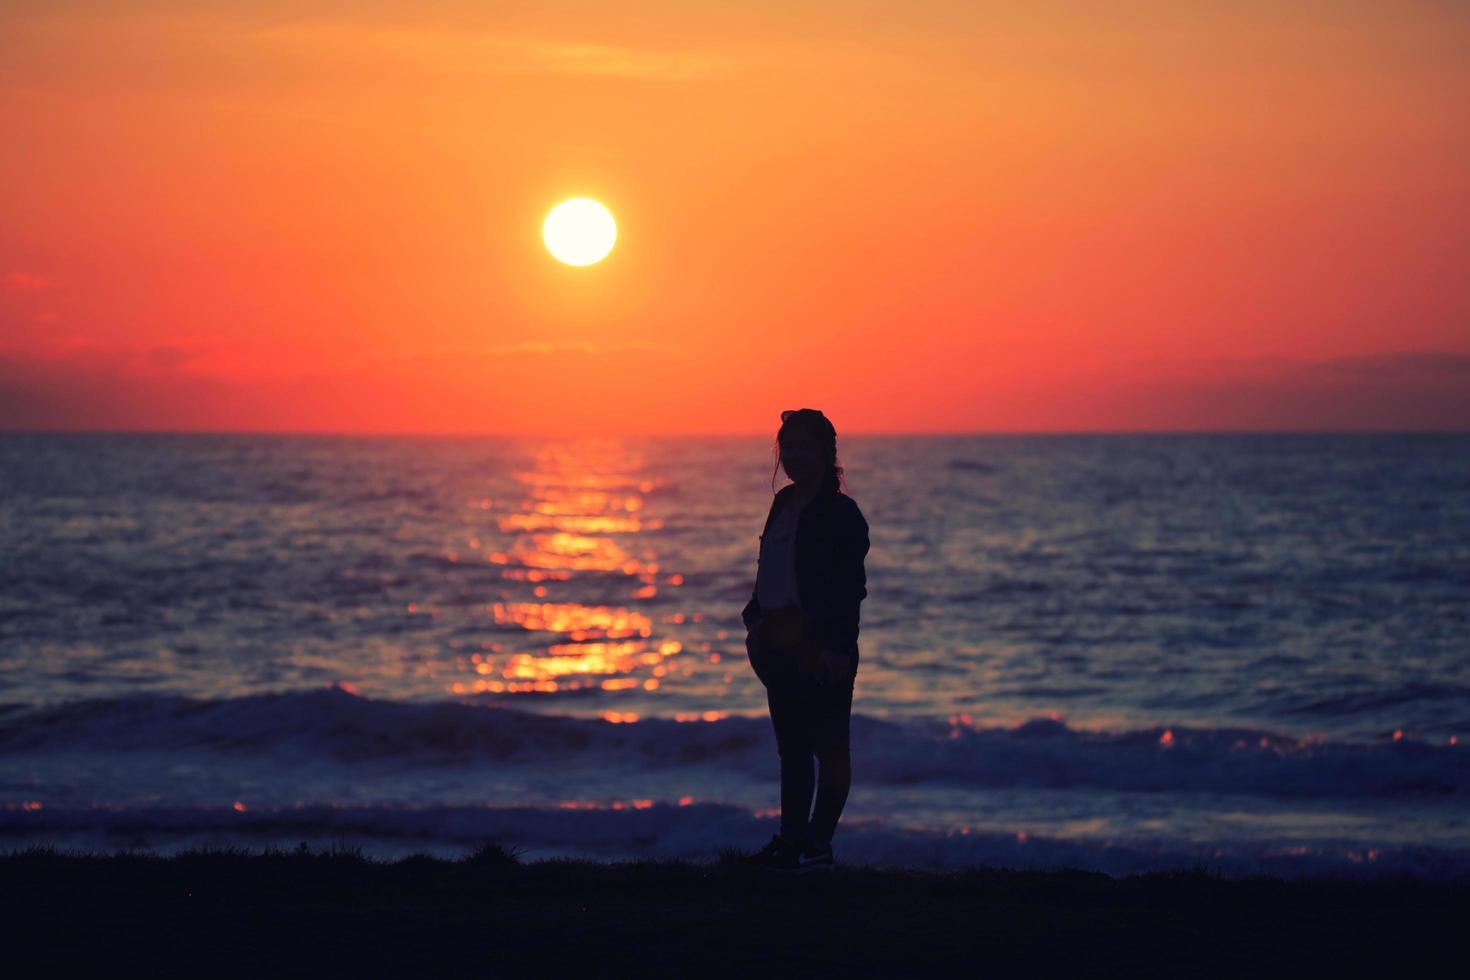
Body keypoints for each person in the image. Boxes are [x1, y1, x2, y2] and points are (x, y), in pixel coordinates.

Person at [740, 408, 869, 872]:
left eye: (803, 446)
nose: (793, 455)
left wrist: (836, 648)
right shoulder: (783, 503)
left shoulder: (842, 514)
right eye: (786, 447)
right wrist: (754, 620)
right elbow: (768, 568)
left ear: (825, 453)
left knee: (830, 748)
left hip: (821, 647)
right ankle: (792, 842)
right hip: (777, 642)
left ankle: (819, 845)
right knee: (791, 748)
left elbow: (850, 589)